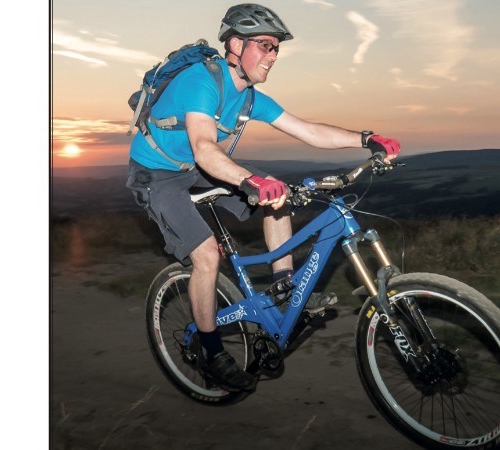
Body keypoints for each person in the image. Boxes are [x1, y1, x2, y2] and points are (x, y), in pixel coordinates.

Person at [126, 3, 401, 392]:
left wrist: (367, 139)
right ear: (236, 45)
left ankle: (283, 291)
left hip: (195, 168)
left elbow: (308, 131)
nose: (273, 56)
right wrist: (250, 180)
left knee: (279, 195)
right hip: (157, 174)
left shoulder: (250, 98)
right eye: (265, 45)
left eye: (276, 48)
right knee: (206, 255)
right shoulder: (200, 81)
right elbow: (204, 148)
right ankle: (210, 352)